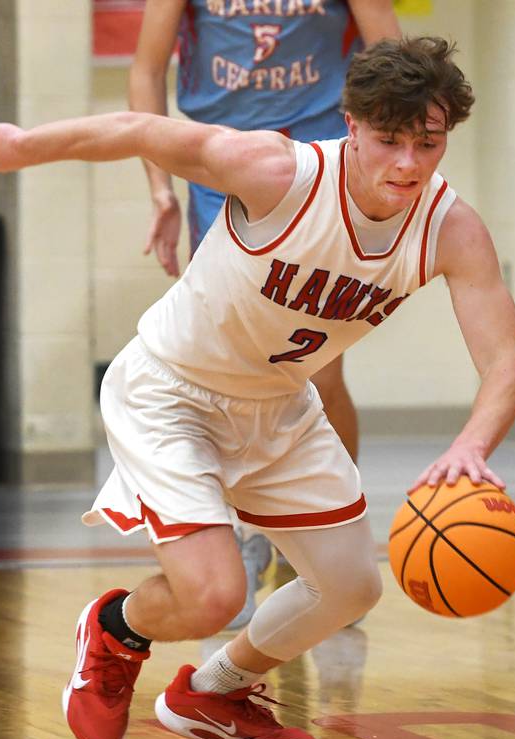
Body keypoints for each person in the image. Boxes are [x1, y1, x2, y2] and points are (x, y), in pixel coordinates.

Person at [0, 37, 515, 739]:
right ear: (352, 126)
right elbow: (143, 131)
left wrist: (470, 446)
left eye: (428, 143)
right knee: (214, 595)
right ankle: (116, 628)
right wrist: (23, 146)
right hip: (170, 391)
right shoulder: (278, 172)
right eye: (390, 141)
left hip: (277, 404)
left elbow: (507, 365)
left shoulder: (451, 229)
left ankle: (215, 692)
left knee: (352, 587)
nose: (408, 164)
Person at [130, 0, 403, 626]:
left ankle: (333, 552)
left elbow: (394, 56)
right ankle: (245, 538)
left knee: (320, 371)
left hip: (319, 156)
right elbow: (146, 71)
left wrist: (390, 168)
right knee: (225, 366)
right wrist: (158, 187)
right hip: (218, 162)